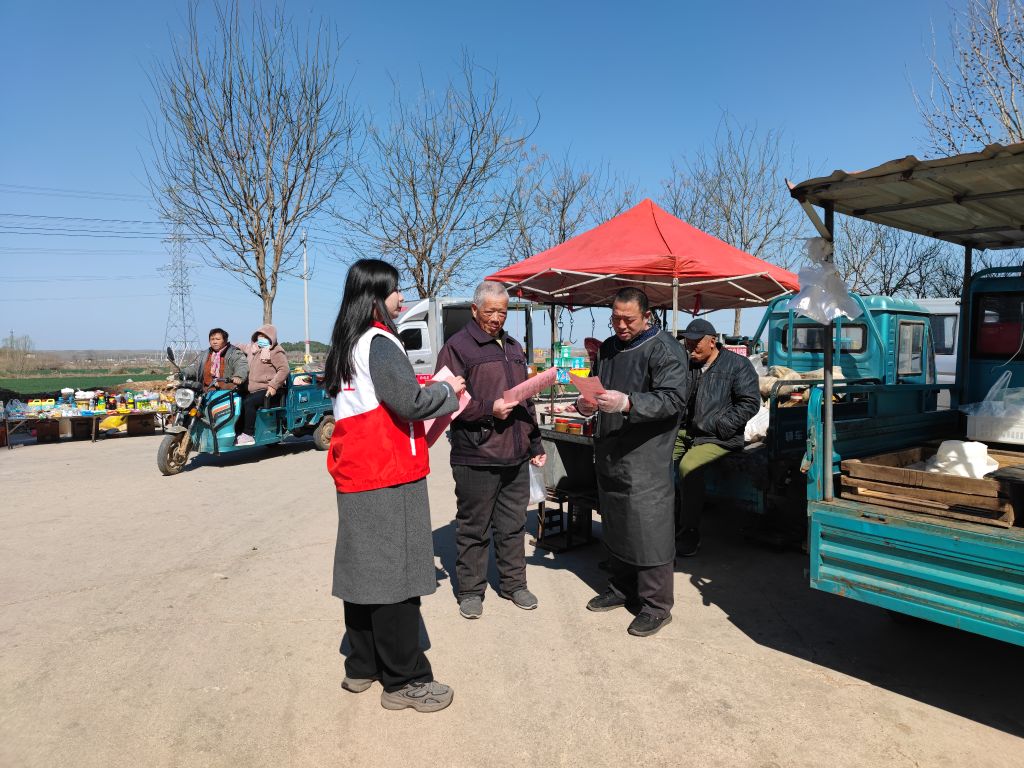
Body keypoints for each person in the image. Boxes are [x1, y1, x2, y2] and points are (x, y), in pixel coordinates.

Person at [324, 258, 466, 713]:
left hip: (356, 469)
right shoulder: (381, 342)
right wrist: (448, 391)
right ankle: (405, 679)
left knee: (363, 571)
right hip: (387, 472)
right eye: (394, 290)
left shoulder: (345, 344)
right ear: (374, 298)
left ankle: (362, 664)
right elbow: (410, 402)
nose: (401, 298)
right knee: (395, 577)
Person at [576, 287, 687, 637]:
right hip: (610, 448)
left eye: (629, 319)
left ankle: (656, 606)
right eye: (616, 319)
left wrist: (628, 403)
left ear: (647, 316)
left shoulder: (665, 348)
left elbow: (673, 400)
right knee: (616, 522)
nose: (621, 326)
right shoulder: (609, 348)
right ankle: (621, 587)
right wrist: (586, 404)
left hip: (645, 455)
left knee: (648, 527)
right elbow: (597, 387)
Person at [436, 281, 546, 620]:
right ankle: (471, 591)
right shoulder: (457, 347)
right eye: (490, 312)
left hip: (515, 452)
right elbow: (445, 400)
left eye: (502, 312)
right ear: (474, 310)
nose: (497, 318)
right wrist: (488, 410)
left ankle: (514, 584)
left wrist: (535, 443)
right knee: (474, 527)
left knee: (512, 525)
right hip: (477, 453)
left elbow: (525, 399)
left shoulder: (513, 347)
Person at [673, 318, 760, 557]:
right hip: (687, 431)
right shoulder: (688, 364)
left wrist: (721, 426)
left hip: (720, 437)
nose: (691, 348)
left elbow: (750, 402)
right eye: (687, 343)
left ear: (712, 341)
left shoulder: (737, 365)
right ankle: (667, 524)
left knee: (688, 467)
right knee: (659, 461)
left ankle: (689, 532)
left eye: (695, 343)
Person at [236, 324, 289, 446]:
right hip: (251, 389)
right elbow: (240, 346)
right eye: (259, 336)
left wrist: (273, 385)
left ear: (271, 338)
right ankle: (238, 430)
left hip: (268, 389)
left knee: (249, 402)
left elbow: (284, 369)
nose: (261, 339)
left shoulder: (276, 351)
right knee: (236, 400)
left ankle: (248, 434)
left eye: (265, 336)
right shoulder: (252, 348)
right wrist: (226, 345)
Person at [182, 328, 248, 391]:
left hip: (228, 391)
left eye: (218, 339)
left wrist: (238, 377)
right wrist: (182, 373)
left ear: (225, 340)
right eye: (212, 339)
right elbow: (195, 368)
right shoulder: (204, 355)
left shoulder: (234, 353)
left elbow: (242, 366)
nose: (214, 342)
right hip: (206, 391)